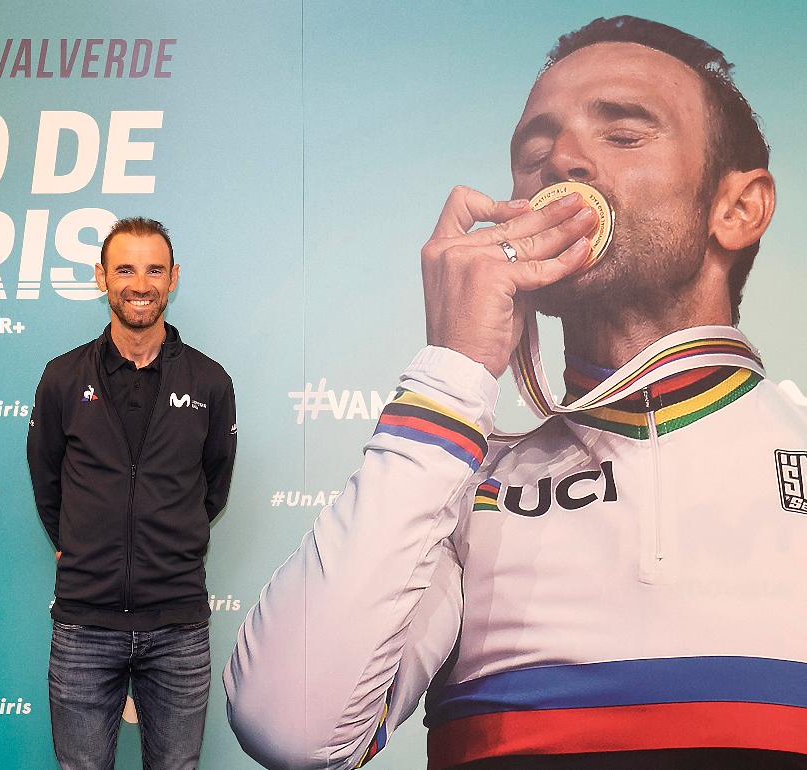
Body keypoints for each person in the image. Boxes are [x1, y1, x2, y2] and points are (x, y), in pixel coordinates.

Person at [224, 16, 807, 770]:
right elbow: (291, 729)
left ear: (738, 209)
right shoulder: (462, 485)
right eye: (535, 152)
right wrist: (452, 371)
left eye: (623, 134)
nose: (561, 160)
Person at [28, 216, 237, 769]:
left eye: (153, 271)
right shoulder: (62, 378)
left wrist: (167, 533)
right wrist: (81, 541)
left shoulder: (210, 382)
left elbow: (213, 486)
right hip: (84, 625)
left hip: (178, 628)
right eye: (124, 270)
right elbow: (47, 482)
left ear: (173, 278)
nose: (139, 285)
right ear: (102, 278)